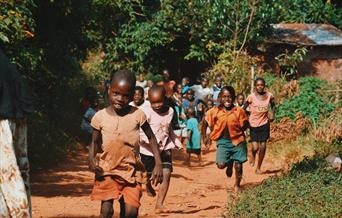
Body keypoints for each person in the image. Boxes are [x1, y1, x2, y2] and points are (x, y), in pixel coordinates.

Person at [88, 70, 163, 218]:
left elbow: (151, 137)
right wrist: (91, 158)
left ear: (132, 95)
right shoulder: (100, 117)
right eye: (116, 93)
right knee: (106, 211)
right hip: (107, 170)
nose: (120, 99)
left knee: (130, 213)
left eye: (125, 95)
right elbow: (94, 142)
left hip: (132, 171)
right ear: (109, 90)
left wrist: (158, 162)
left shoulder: (137, 115)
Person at [139, 85, 182, 214]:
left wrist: (175, 141)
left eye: (159, 101)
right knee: (149, 175)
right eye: (153, 102)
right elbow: (141, 132)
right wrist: (153, 144)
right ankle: (147, 184)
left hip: (165, 148)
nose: (157, 105)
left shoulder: (170, 111)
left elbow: (168, 129)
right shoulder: (145, 112)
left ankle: (160, 204)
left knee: (167, 173)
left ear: (165, 99)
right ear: (149, 100)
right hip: (147, 149)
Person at [0, 48, 33, 217]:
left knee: (8, 178)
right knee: (19, 173)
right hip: (17, 120)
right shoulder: (7, 62)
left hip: (2, 124)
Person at [201, 86, 249, 192]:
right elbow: (205, 122)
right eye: (224, 97)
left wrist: (244, 125)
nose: (227, 99)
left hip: (238, 141)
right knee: (221, 165)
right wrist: (204, 137)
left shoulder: (238, 111)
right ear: (220, 98)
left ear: (234, 98)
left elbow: (245, 123)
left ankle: (237, 185)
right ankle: (229, 162)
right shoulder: (215, 111)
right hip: (223, 141)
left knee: (239, 165)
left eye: (229, 97)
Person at [243, 77, 275, 174]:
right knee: (255, 147)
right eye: (258, 85)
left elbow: (273, 105)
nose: (260, 87)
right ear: (255, 86)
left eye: (261, 85)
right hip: (253, 124)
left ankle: (258, 168)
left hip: (264, 123)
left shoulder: (269, 95)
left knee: (263, 146)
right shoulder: (251, 97)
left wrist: (272, 114)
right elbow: (243, 108)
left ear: (264, 85)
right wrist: (246, 120)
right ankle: (252, 154)